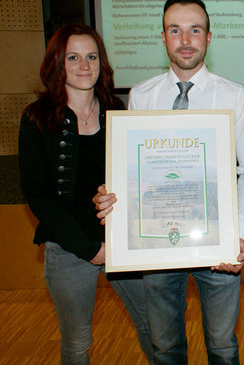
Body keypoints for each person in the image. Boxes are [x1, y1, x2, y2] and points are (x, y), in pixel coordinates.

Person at [94, 0, 244, 364]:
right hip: (156, 246)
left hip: (218, 246)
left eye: (195, 30)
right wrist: (115, 196)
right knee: (166, 348)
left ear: (209, 37)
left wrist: (235, 233)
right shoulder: (141, 95)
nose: (185, 40)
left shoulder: (234, 96)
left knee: (222, 346)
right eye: (176, 30)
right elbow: (134, 174)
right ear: (163, 37)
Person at [18, 23, 153, 364]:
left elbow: (137, 179)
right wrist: (90, 249)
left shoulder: (118, 111)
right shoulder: (36, 118)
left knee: (156, 331)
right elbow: (39, 196)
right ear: (57, 64)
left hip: (123, 245)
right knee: (78, 342)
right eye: (73, 57)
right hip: (69, 249)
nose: (84, 65)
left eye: (91, 56)